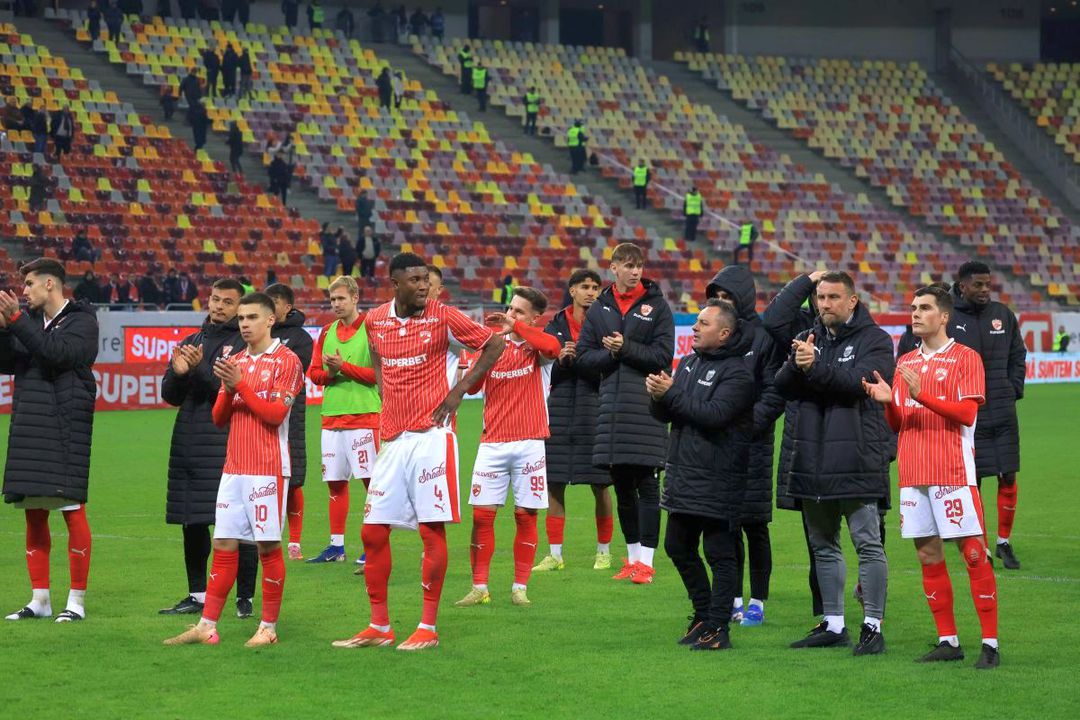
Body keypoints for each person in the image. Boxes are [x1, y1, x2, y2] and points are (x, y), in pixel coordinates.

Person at [331, 252, 505, 651]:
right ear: (396, 284)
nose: (424, 285)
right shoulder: (376, 320)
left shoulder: (444, 316)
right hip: (393, 439)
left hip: (432, 437)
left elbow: (494, 344)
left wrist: (459, 391)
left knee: (430, 530)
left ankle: (428, 627)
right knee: (372, 532)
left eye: (426, 278)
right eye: (415, 280)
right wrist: (386, 395)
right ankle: (379, 626)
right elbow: (377, 359)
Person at [864, 285, 1000, 669]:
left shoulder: (966, 358)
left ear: (944, 316)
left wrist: (922, 395)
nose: (915, 313)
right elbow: (899, 424)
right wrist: (888, 403)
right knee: (927, 555)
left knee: (973, 554)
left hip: (952, 470)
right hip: (913, 471)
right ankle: (948, 640)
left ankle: (990, 643)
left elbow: (967, 415)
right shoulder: (906, 360)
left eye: (924, 308)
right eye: (913, 307)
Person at [164, 292, 304, 648]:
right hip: (234, 468)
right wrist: (228, 389)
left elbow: (276, 416)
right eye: (241, 318)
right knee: (223, 543)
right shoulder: (236, 360)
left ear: (270, 320)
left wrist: (239, 384)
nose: (244, 324)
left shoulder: (286, 361)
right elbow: (218, 418)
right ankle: (207, 625)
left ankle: (268, 628)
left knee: (267, 547)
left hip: (267, 470)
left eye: (252, 317)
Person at [775, 271, 894, 655]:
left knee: (867, 544)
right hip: (812, 456)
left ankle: (872, 626)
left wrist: (814, 368)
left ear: (852, 301)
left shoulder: (875, 340)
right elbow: (781, 386)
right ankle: (834, 623)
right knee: (823, 545)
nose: (824, 304)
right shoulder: (809, 338)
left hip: (858, 456)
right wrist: (797, 365)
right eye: (820, 297)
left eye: (832, 297)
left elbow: (859, 384)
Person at [649, 300, 755, 650]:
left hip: (718, 476)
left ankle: (718, 627)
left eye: (703, 323)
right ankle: (703, 614)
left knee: (719, 554)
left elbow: (713, 415)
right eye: (696, 322)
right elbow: (670, 413)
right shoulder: (689, 362)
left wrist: (671, 394)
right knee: (676, 546)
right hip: (684, 473)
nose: (694, 328)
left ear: (724, 333)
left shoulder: (738, 373)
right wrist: (657, 397)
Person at [1, 259, 98, 623]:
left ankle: (76, 602)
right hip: (30, 426)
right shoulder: (29, 322)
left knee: (71, 509)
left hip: (64, 427)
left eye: (29, 284)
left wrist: (16, 321)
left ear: (50, 284)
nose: (24, 291)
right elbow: (7, 361)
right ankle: (39, 599)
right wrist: (3, 330)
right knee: (34, 512)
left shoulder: (82, 321)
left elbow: (57, 353)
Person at [159, 279, 260, 618]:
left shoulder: (243, 344)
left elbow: (227, 389)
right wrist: (178, 374)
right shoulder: (192, 341)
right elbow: (170, 395)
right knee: (193, 520)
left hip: (228, 441)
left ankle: (244, 596)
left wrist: (198, 369)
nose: (218, 306)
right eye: (215, 299)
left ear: (239, 307)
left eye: (227, 302)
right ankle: (197, 594)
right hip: (189, 442)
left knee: (238, 523)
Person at [455, 288, 561, 608]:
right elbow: (472, 386)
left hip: (529, 443)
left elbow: (554, 348)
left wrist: (516, 328)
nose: (510, 315)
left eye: (519, 312)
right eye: (510, 309)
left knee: (525, 516)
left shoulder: (537, 347)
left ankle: (519, 587)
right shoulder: (493, 345)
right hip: (493, 443)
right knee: (481, 517)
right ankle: (479, 587)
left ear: (534, 318)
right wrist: (488, 348)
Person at [575, 243, 674, 584]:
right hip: (612, 413)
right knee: (622, 488)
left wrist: (625, 348)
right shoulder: (600, 308)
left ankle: (647, 562)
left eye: (639, 265)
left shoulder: (657, 306)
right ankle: (632, 560)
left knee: (647, 485)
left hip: (646, 407)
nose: (635, 271)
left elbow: (663, 356)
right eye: (628, 265)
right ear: (613, 267)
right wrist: (612, 355)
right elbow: (584, 357)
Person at [705, 265, 785, 627]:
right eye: (717, 297)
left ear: (743, 298)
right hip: (720, 441)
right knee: (727, 523)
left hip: (753, 443)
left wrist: (747, 425)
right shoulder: (714, 335)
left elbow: (774, 392)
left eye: (728, 296)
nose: (723, 302)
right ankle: (734, 597)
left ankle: (758, 601)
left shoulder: (762, 338)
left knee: (755, 524)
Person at [533, 269, 614, 573]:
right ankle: (555, 555)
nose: (591, 292)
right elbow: (544, 368)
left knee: (600, 483)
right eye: (585, 287)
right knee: (554, 482)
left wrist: (583, 359)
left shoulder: (606, 325)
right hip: (559, 408)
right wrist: (561, 361)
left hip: (595, 407)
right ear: (572, 291)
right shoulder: (555, 325)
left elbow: (610, 366)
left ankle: (604, 551)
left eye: (595, 287)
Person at [948, 261, 1027, 570]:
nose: (984, 290)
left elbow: (1018, 354)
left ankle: (1004, 542)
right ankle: (979, 544)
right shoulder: (948, 316)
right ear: (963, 286)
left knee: (1008, 475)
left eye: (987, 284)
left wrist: (1012, 388)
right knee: (974, 481)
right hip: (969, 414)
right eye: (978, 285)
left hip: (1003, 410)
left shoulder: (1003, 315)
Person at [306, 276, 381, 564]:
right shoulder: (327, 332)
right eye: (332, 299)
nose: (336, 304)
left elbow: (379, 375)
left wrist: (344, 368)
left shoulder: (371, 328)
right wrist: (331, 374)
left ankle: (373, 546)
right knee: (335, 484)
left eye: (341, 298)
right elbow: (314, 374)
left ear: (355, 298)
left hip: (364, 417)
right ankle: (336, 547)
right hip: (331, 418)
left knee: (371, 484)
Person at [264, 283, 314, 562]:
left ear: (287, 307)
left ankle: (294, 541)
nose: (270, 306)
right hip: (258, 408)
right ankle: (267, 535)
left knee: (293, 479)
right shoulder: (259, 332)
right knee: (264, 478)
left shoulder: (300, 338)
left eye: (275, 301)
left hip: (290, 412)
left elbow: (294, 370)